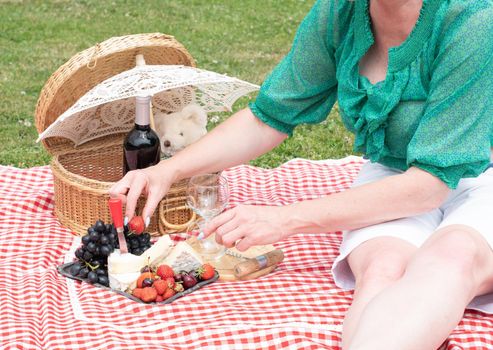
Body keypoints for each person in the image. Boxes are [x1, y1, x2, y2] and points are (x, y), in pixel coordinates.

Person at [110, 0, 493, 348]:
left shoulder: (471, 20)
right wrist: (169, 169)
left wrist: (285, 218)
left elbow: (429, 187)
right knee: (382, 269)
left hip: (481, 174)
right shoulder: (340, 14)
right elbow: (268, 117)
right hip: (393, 173)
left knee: (453, 256)